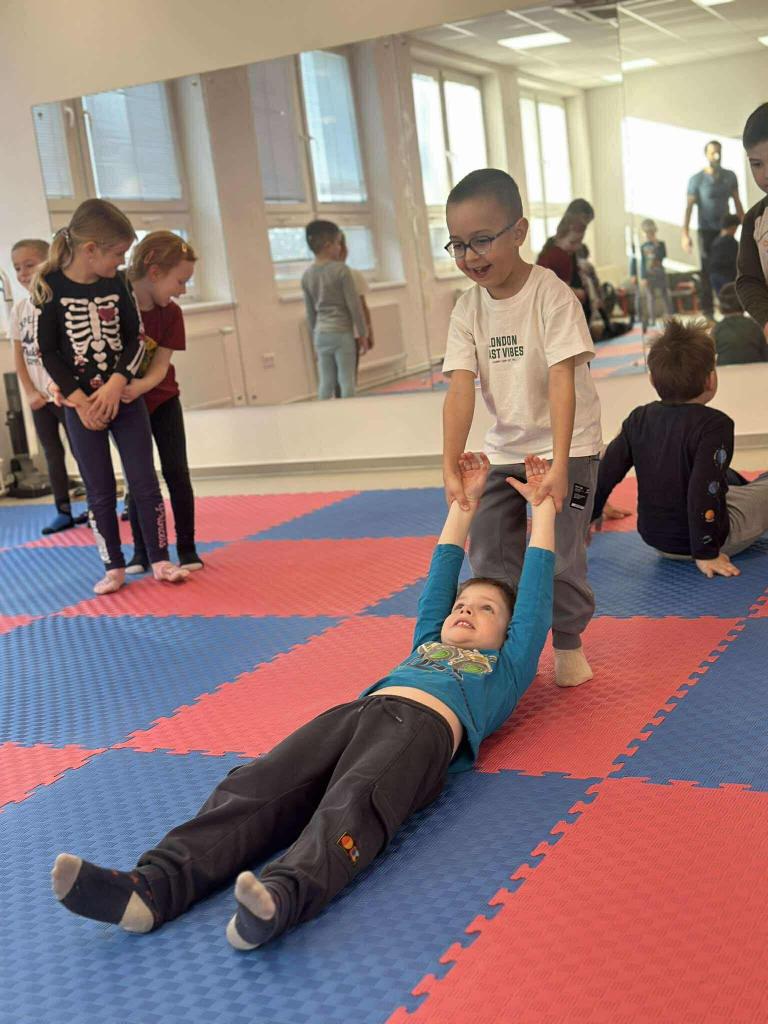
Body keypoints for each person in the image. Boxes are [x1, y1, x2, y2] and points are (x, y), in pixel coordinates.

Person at [51, 452, 556, 949]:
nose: (465, 610)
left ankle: (281, 898)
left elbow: (534, 601)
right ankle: (153, 886)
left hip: (422, 729)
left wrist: (544, 511)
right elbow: (441, 577)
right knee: (259, 783)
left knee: (354, 801)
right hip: (355, 713)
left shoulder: (505, 667)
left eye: (486, 610)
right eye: (462, 605)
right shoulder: (427, 640)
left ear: (508, 634)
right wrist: (463, 508)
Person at [442, 168, 602, 688]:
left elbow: (562, 380)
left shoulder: (551, 295)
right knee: (489, 553)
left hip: (569, 446)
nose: (471, 256)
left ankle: (568, 641)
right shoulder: (467, 308)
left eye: (482, 240)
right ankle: (503, 647)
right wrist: (449, 464)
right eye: (458, 244)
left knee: (558, 556)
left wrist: (561, 463)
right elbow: (460, 388)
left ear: (519, 232)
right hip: (505, 448)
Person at [33, 199, 188, 595]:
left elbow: (136, 338)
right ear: (90, 249)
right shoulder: (50, 288)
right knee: (99, 488)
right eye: (118, 254)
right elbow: (48, 352)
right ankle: (113, 565)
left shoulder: (117, 283)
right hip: (82, 406)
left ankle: (160, 558)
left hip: (124, 400)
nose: (121, 263)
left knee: (144, 481)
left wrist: (118, 382)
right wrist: (79, 400)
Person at [592, 319, 768, 578]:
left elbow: (606, 470)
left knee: (727, 476)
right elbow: (703, 490)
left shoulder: (638, 419)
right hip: (707, 541)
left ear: (652, 379)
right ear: (711, 380)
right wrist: (706, 552)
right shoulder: (715, 425)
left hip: (657, 540)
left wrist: (590, 514)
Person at [121, 232, 203, 574]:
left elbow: (160, 365)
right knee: (137, 478)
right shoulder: (117, 303)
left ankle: (186, 547)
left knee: (176, 472)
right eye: (180, 281)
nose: (182, 290)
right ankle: (142, 551)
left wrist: (139, 386)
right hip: (128, 406)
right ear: (154, 273)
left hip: (163, 399)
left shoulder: (171, 314)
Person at [9, 238, 88, 535]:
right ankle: (62, 510)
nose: (23, 273)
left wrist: (64, 388)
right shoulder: (19, 309)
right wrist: (30, 392)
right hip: (39, 398)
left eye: (29, 265)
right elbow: (19, 356)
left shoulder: (60, 303)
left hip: (65, 395)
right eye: (17, 267)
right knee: (52, 453)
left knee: (82, 450)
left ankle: (96, 505)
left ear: (49, 262)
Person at [301, 220, 368, 400]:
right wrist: (363, 334)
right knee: (346, 380)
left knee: (326, 382)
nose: (340, 248)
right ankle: (348, 413)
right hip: (341, 333)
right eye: (338, 243)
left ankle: (323, 412)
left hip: (321, 334)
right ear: (328, 245)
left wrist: (314, 341)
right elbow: (354, 306)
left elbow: (310, 314)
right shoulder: (342, 271)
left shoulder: (307, 275)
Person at [683, 140, 744, 318]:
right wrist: (685, 234)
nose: (716, 156)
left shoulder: (729, 176)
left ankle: (732, 308)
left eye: (719, 152)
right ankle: (708, 311)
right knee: (707, 271)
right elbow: (689, 208)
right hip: (706, 232)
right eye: (712, 153)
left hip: (725, 231)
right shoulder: (696, 180)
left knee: (731, 268)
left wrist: (748, 228)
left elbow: (737, 203)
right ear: (706, 155)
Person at [736, 102, 768, 341]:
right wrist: (766, 320)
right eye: (756, 164)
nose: (765, 174)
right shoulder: (754, 219)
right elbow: (748, 280)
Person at [334, 231, 373, 395]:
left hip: (335, 335)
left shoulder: (352, 274)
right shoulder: (350, 275)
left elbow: (362, 306)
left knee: (341, 378)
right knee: (346, 378)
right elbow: (361, 307)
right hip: (345, 335)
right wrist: (367, 333)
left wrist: (367, 332)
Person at [713, 284, 767, 365]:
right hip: (755, 370)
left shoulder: (717, 329)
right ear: (743, 304)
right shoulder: (756, 327)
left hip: (725, 370)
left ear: (721, 307)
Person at [636, 219, 671, 330]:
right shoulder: (643, 247)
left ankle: (669, 316)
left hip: (660, 274)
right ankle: (652, 320)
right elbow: (642, 262)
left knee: (665, 295)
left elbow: (663, 256)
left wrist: (656, 245)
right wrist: (643, 277)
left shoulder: (661, 244)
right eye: (646, 233)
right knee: (650, 297)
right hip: (649, 276)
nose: (648, 235)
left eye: (650, 233)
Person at [709, 214, 741, 301]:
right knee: (733, 300)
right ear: (733, 227)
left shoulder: (715, 241)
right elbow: (735, 261)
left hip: (714, 275)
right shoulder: (732, 242)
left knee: (723, 300)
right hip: (727, 276)